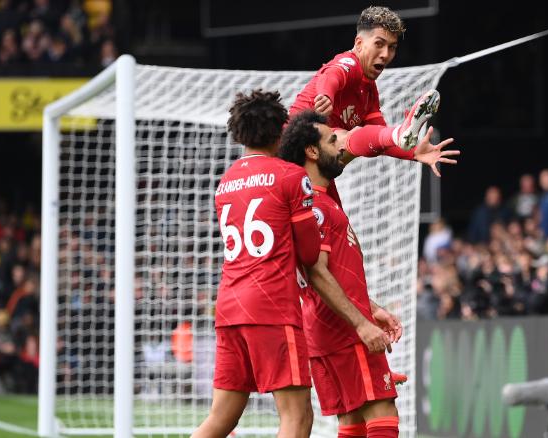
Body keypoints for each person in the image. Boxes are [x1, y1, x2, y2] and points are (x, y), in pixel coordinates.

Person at [193, 91, 387, 438]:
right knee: (296, 419)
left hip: (228, 307)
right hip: (271, 308)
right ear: (279, 130)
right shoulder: (289, 176)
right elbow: (311, 257)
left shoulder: (225, 184)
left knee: (220, 420)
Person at [279, 111, 405, 438]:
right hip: (344, 331)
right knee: (382, 410)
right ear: (312, 152)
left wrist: (371, 306)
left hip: (326, 330)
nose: (341, 146)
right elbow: (317, 273)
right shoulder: (317, 208)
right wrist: (362, 323)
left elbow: (329, 272)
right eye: (332, 140)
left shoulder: (315, 205)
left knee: (352, 420)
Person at [289, 6, 458, 193]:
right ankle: (399, 132)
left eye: (392, 47)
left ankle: (400, 133)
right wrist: (325, 95)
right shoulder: (350, 63)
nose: (386, 54)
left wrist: (414, 153)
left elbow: (380, 140)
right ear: (359, 43)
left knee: (340, 223)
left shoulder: (370, 94)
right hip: (289, 155)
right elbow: (331, 75)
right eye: (379, 44)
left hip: (315, 171)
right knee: (344, 138)